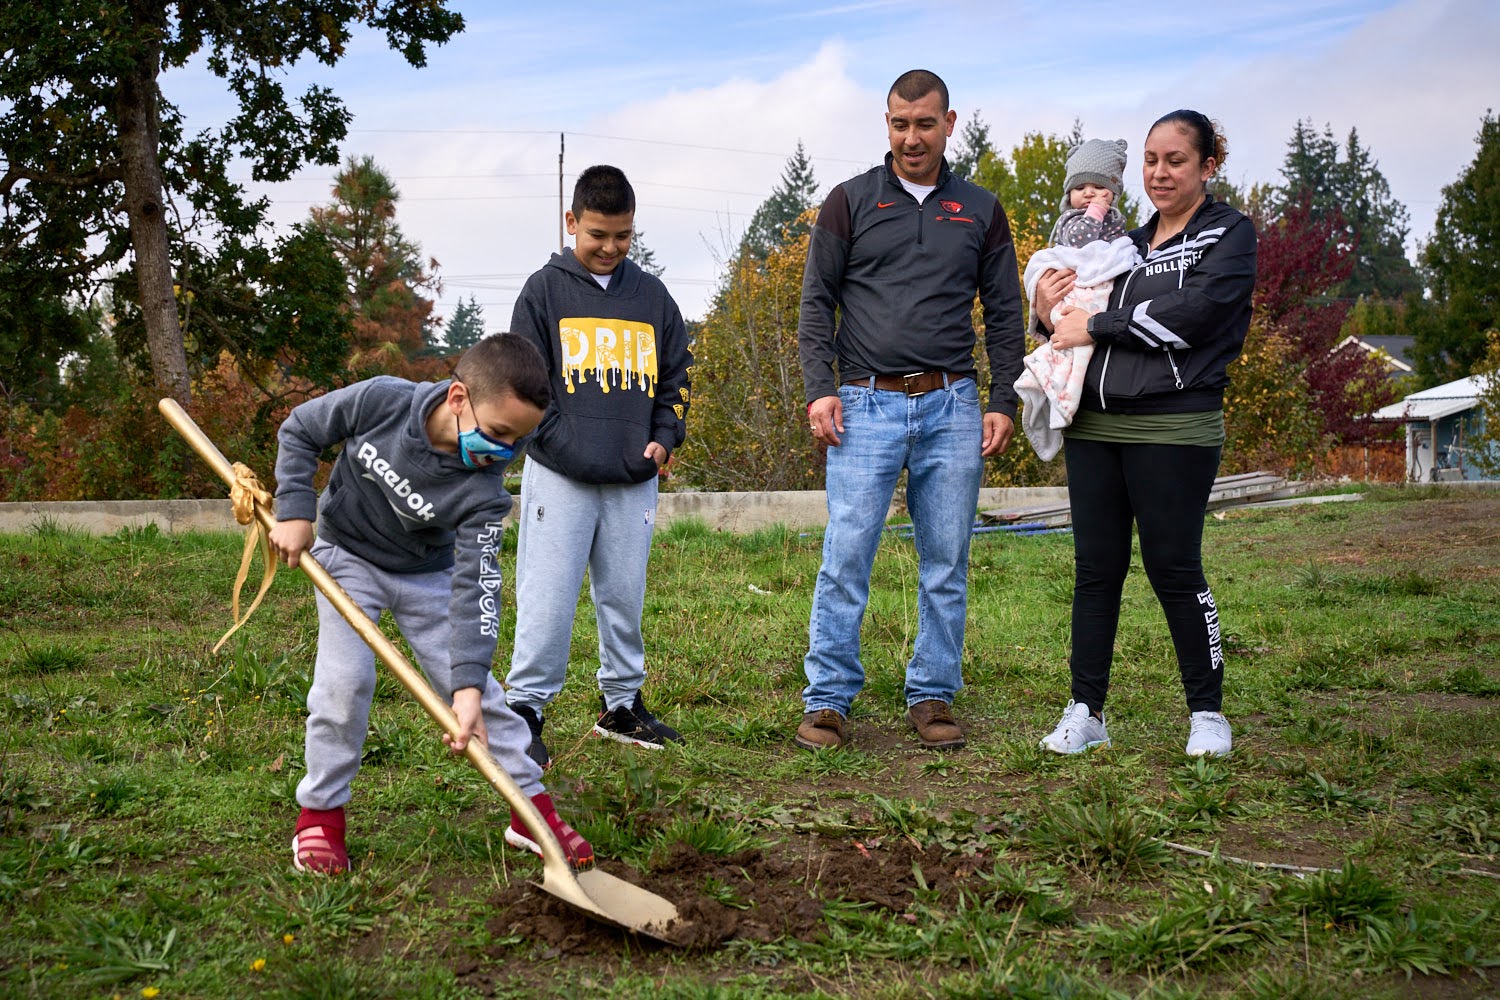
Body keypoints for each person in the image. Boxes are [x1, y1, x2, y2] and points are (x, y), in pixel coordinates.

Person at [268, 333, 593, 873]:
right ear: (459, 397)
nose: (505, 454)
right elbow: (300, 429)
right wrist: (296, 510)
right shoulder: (383, 401)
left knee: (482, 698)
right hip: (347, 557)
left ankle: (530, 812)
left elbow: (477, 588)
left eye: (519, 443)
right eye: (498, 435)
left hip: (428, 577)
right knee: (344, 684)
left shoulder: (485, 493)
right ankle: (320, 817)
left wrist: (464, 686)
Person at [795, 69, 1025, 752]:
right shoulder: (849, 202)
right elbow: (815, 304)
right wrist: (820, 387)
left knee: (946, 560)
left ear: (948, 124)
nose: (912, 136)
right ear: (886, 122)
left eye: (925, 123)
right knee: (846, 553)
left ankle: (932, 693)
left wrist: (1003, 398)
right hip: (864, 402)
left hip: (953, 402)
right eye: (900, 123)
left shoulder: (981, 209)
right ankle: (829, 698)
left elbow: (1006, 313)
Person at [1032, 109, 1258, 758]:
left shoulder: (1228, 235)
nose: (1160, 173)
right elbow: (1072, 316)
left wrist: (1098, 326)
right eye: (1151, 161)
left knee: (1173, 566)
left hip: (1176, 426)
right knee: (1095, 571)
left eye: (1176, 161)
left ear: (1208, 165)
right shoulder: (1121, 245)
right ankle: (1086, 711)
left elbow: (1199, 315)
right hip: (1095, 428)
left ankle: (1207, 714)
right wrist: (1048, 312)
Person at [503, 165, 693, 768]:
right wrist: (570, 449)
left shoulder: (652, 297)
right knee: (547, 596)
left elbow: (676, 378)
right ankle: (525, 711)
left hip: (632, 481)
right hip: (560, 478)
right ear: (571, 223)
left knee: (623, 595)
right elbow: (524, 389)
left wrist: (665, 437)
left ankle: (621, 705)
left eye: (623, 236)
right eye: (596, 235)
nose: (610, 248)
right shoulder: (544, 292)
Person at [1017, 138, 1140, 461]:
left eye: (1098, 186)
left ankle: (1064, 391)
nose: (1088, 193)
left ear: (1114, 191)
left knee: (1082, 350)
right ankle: (1054, 388)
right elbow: (1081, 242)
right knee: (1071, 348)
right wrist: (1097, 209)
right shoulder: (1074, 221)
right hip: (1076, 289)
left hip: (1100, 312)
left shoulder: (1117, 223)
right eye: (1080, 187)